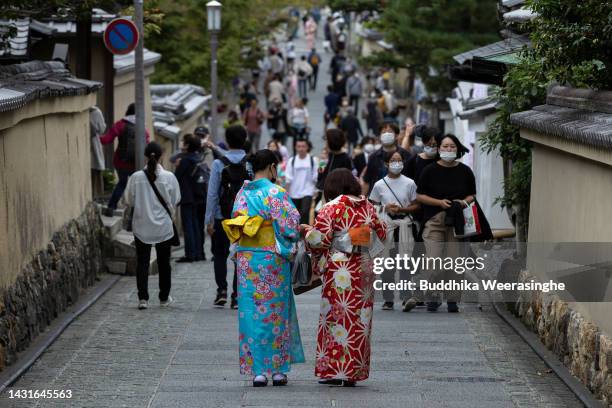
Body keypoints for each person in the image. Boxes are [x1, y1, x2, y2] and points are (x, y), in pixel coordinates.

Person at [223, 149, 305, 387]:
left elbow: (236, 221)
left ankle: (258, 371)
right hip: (271, 259)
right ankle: (277, 370)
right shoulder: (276, 192)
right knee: (275, 313)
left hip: (248, 259)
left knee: (251, 314)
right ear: (271, 167)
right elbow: (290, 225)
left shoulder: (242, 193)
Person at [304, 168, 387, 387]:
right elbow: (383, 233)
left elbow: (320, 240)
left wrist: (306, 231)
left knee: (335, 318)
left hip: (340, 269)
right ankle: (353, 372)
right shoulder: (368, 206)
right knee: (360, 320)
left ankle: (333, 371)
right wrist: (359, 236)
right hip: (365, 266)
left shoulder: (331, 208)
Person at [416, 134, 476, 313]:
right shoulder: (429, 170)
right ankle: (433, 295)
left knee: (454, 260)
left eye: (452, 147)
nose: (448, 150)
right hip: (434, 220)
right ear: (439, 149)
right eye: (445, 147)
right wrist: (439, 202)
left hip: (457, 221)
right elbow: (419, 195)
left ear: (457, 149)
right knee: (434, 259)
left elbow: (472, 194)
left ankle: (452, 298)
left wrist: (463, 202)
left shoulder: (465, 171)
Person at [123, 142, 180, 310]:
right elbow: (176, 199)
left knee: (142, 261)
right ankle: (163, 297)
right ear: (161, 155)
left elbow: (128, 201)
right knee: (164, 262)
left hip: (141, 225)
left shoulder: (136, 177)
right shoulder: (169, 177)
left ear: (146, 156)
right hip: (163, 226)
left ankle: (143, 299)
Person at [205, 125, 250, 309]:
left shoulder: (218, 163)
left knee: (220, 254)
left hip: (221, 217)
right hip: (244, 218)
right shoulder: (250, 163)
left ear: (228, 140)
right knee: (241, 255)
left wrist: (208, 220)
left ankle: (221, 291)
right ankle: (237, 295)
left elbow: (212, 194)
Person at [369, 151, 420, 311]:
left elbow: (417, 205)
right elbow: (371, 207)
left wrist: (402, 209)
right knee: (387, 264)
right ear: (386, 163)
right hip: (387, 226)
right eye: (393, 160)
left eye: (399, 160)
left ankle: (406, 296)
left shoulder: (410, 183)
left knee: (405, 263)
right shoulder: (379, 185)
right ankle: (388, 299)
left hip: (404, 225)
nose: (396, 163)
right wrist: (386, 207)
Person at [100, 103, 150, 216]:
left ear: (128, 111)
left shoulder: (120, 125)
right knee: (137, 189)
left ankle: (111, 208)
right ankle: (133, 217)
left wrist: (94, 137)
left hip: (120, 161)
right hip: (136, 163)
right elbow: (147, 145)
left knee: (122, 184)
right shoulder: (143, 129)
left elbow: (106, 140)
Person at [174, 134, 205, 263]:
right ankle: (199, 253)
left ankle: (190, 254)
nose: (181, 143)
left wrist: (177, 166)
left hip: (187, 195)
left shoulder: (185, 160)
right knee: (196, 225)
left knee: (188, 226)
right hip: (198, 195)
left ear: (187, 145)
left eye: (183, 141)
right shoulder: (198, 158)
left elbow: (176, 177)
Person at [362, 123, 413, 195]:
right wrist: (362, 198)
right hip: (377, 199)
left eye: (390, 132)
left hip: (401, 197)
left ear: (396, 136)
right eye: (383, 132)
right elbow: (367, 181)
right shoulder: (373, 157)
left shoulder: (406, 155)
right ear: (380, 136)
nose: (387, 134)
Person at [285, 139, 318, 225]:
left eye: (303, 146)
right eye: (299, 146)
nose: (301, 149)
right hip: (293, 192)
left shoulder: (312, 160)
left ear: (307, 147)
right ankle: (295, 234)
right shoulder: (292, 161)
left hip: (308, 191)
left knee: (304, 212)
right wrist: (286, 194)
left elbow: (315, 176)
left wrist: (315, 190)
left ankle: (304, 235)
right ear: (295, 148)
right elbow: (288, 179)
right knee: (294, 215)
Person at [316, 129, 353, 194]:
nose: (326, 143)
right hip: (322, 191)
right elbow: (320, 174)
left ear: (332, 142)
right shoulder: (327, 156)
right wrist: (322, 162)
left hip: (336, 195)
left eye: (327, 140)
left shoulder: (345, 159)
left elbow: (346, 180)